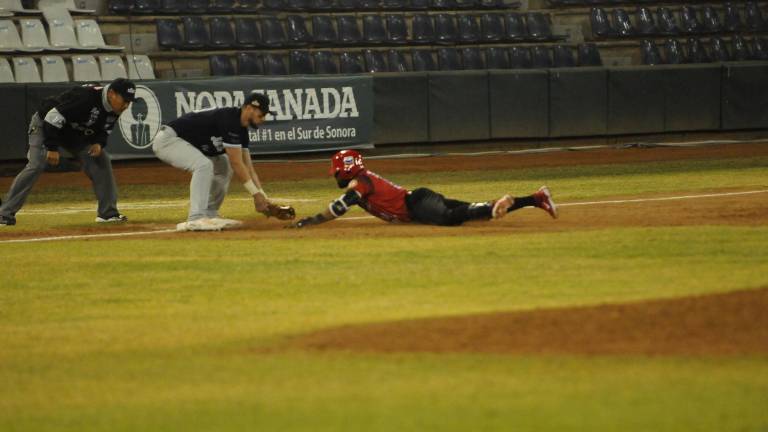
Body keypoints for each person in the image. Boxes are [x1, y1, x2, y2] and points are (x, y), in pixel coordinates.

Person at [289, 149, 558, 228]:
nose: (335, 174)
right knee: (466, 211)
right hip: (418, 200)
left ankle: (492, 207)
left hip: (416, 204)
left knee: (449, 218)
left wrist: (311, 221)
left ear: (345, 168)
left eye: (336, 170)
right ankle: (536, 198)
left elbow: (340, 206)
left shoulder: (360, 181)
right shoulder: (363, 179)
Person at [0, 78, 135, 227]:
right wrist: (52, 147)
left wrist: (99, 143)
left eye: (129, 102)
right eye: (125, 100)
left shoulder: (115, 107)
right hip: (45, 125)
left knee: (101, 160)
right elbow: (52, 118)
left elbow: (105, 128)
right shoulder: (86, 98)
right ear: (111, 93)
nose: (126, 105)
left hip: (73, 134)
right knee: (36, 165)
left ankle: (108, 213)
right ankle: (4, 214)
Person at [152, 93, 285, 231]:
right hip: (169, 140)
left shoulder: (241, 130)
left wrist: (263, 198)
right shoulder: (229, 119)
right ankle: (196, 217)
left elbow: (248, 168)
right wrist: (255, 195)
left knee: (224, 166)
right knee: (203, 165)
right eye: (261, 114)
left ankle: (210, 213)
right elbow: (236, 163)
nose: (263, 119)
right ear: (249, 108)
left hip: (188, 144)